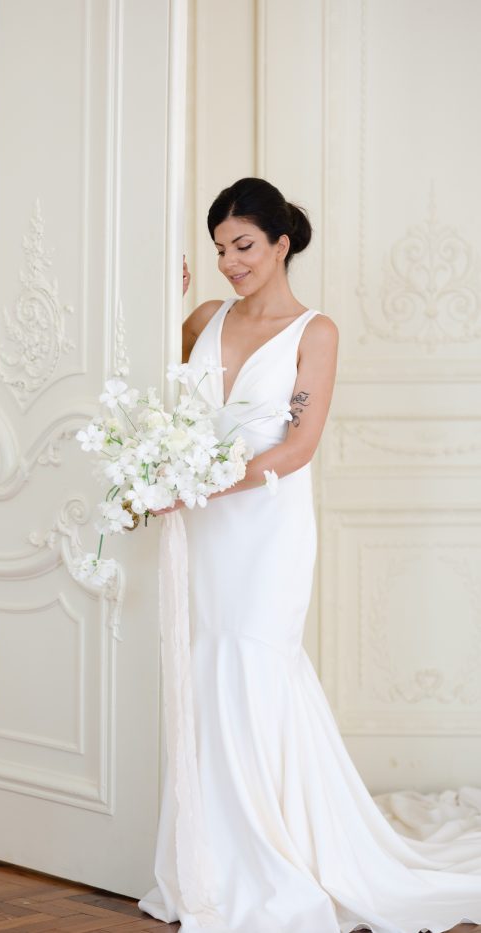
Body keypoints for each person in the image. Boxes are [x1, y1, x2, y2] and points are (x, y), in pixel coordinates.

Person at [138, 177, 481, 933]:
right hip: (201, 528)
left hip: (263, 528)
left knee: (255, 666)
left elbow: (298, 446)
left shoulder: (314, 331)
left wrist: (205, 484)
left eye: (245, 246)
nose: (231, 262)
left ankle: (275, 855)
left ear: (281, 242)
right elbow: (163, 408)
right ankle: (210, 861)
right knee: (205, 671)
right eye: (221, 248)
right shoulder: (201, 319)